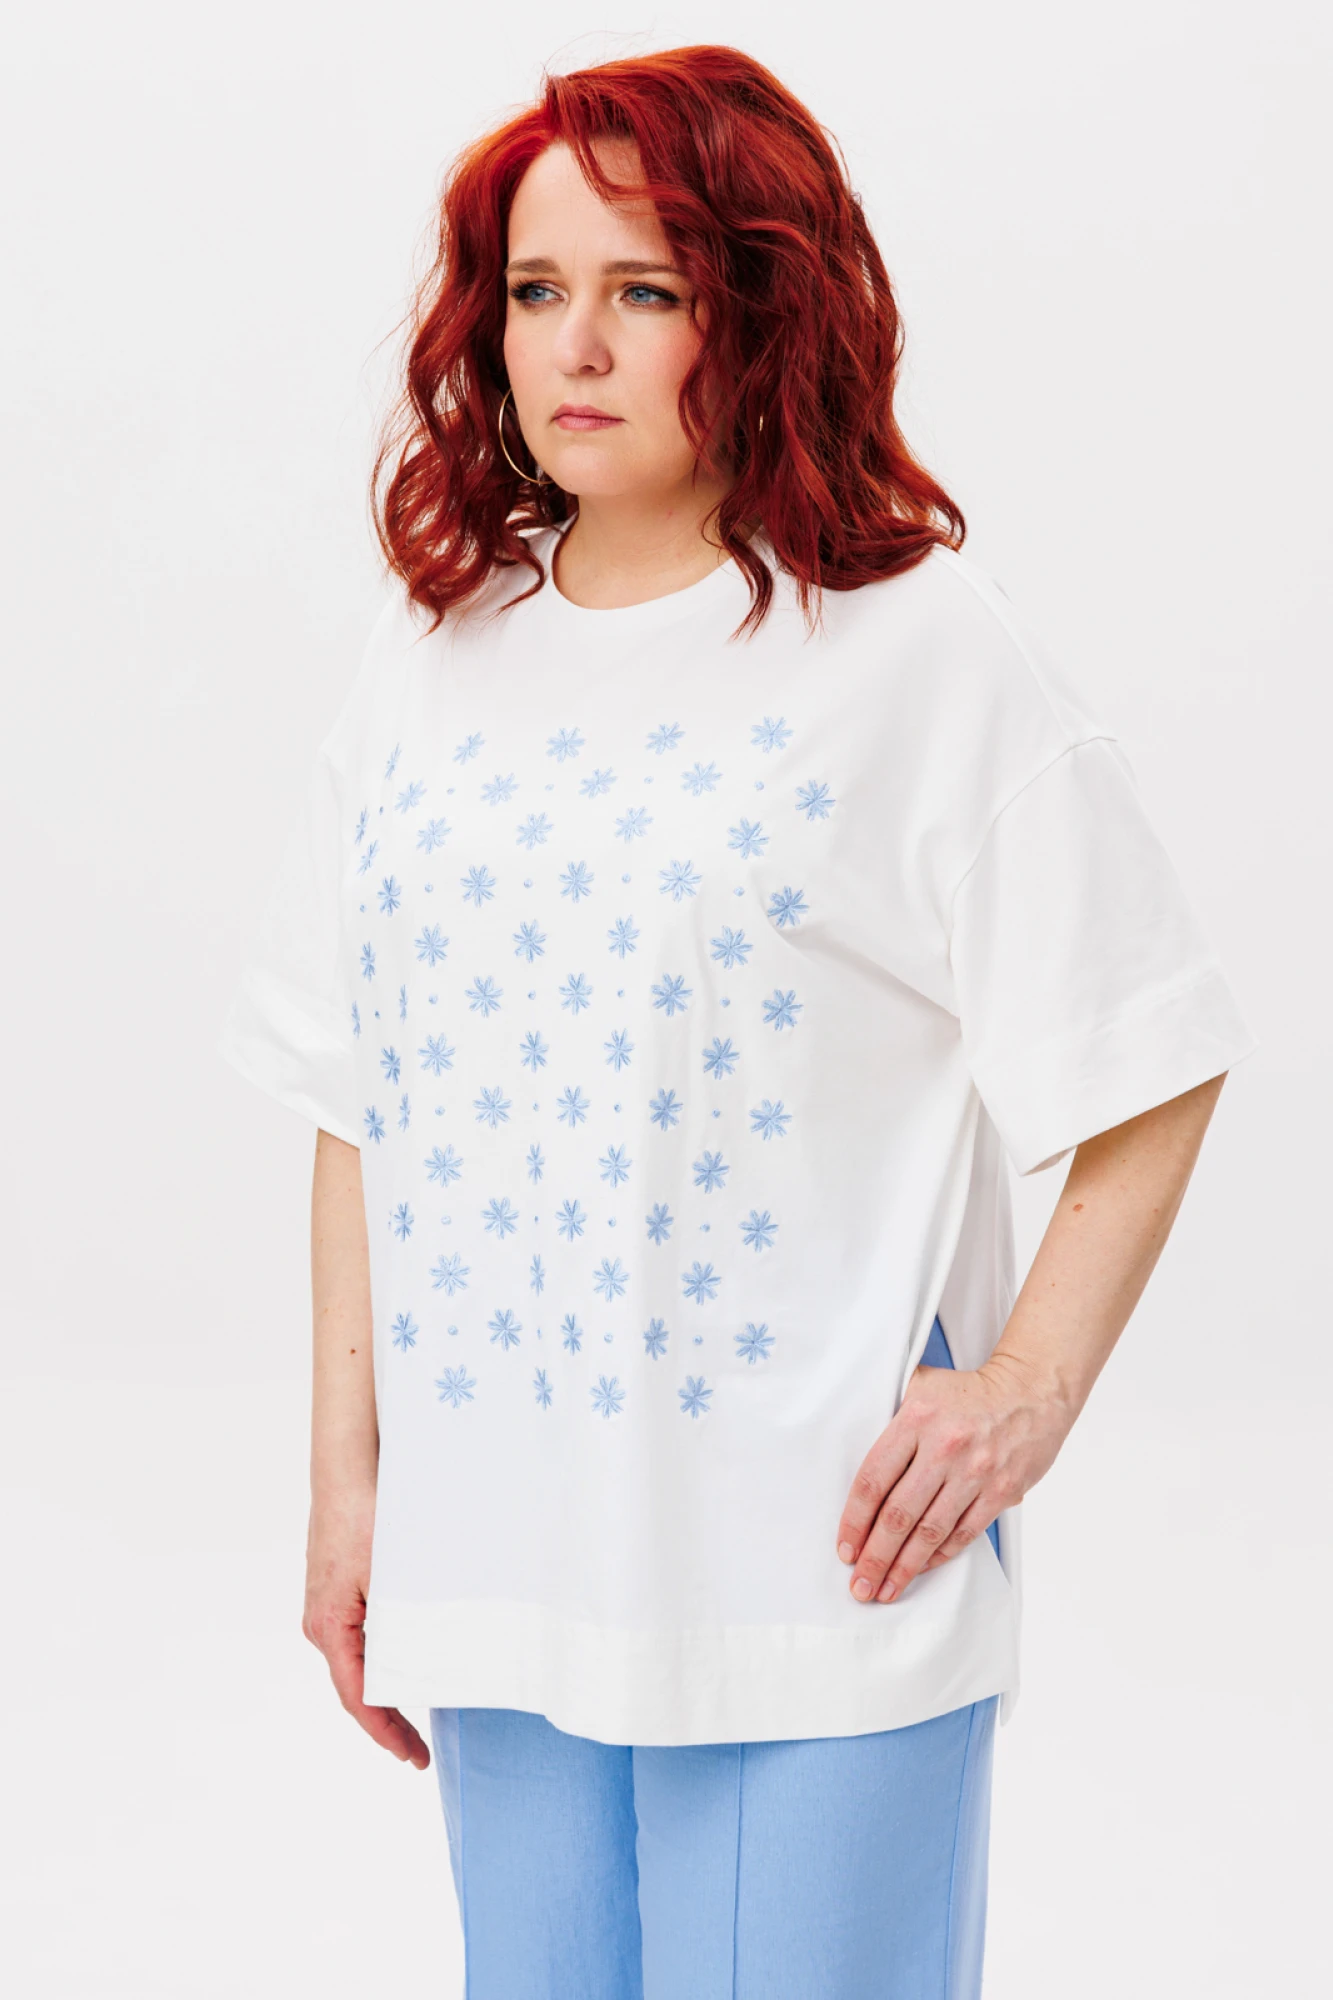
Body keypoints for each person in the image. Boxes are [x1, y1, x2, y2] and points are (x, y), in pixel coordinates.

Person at [218, 43, 1257, 2000]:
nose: (577, 345)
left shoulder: (916, 646)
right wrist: (350, 1494)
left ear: (762, 310)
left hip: (817, 1587)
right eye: (537, 290)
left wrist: (1024, 1391)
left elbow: (1149, 1048)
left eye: (648, 289)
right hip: (504, 1577)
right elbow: (359, 1096)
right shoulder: (433, 653)